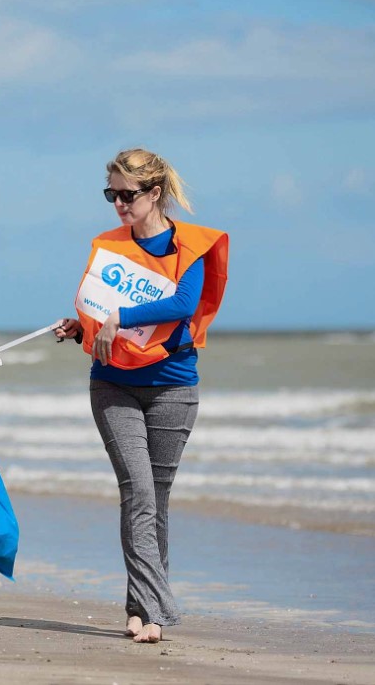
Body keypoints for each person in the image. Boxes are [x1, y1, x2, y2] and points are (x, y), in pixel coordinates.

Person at [55, 148, 228, 643]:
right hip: (113, 384)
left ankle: (139, 606)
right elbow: (100, 307)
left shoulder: (188, 247)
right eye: (111, 194)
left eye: (126, 195)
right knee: (139, 491)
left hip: (174, 386)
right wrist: (82, 326)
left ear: (155, 193)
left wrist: (117, 319)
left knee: (157, 500)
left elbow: (181, 304)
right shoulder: (109, 246)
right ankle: (155, 614)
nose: (117, 204)